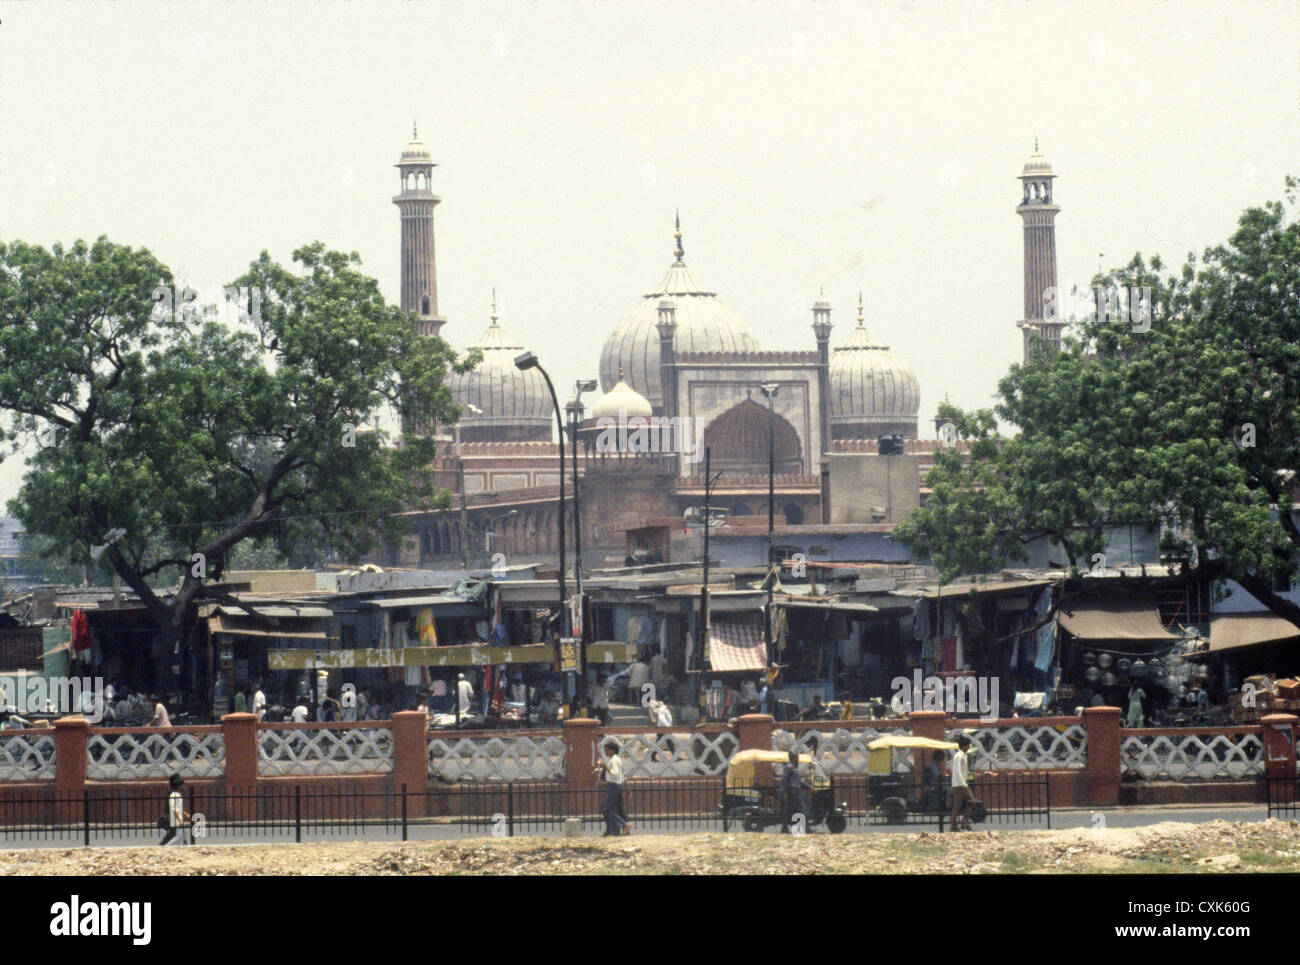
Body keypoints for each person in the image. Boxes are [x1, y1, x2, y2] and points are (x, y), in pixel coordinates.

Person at [596, 740, 629, 837]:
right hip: (615, 785)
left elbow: (615, 774)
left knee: (607, 809)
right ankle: (614, 831)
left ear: (613, 750)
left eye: (607, 750)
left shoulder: (614, 760)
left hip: (613, 786)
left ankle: (624, 825)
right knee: (612, 808)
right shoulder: (614, 759)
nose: (606, 753)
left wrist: (604, 766)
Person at [780, 750, 810, 834]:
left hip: (796, 792)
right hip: (792, 792)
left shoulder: (794, 768)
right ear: (793, 758)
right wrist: (785, 794)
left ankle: (785, 828)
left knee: (791, 811)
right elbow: (784, 781)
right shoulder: (789, 768)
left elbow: (799, 781)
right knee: (801, 809)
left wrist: (809, 787)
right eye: (797, 758)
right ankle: (806, 829)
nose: (798, 759)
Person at [949, 734, 975, 832]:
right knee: (970, 801)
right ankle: (961, 822)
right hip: (960, 784)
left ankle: (957, 824)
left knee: (959, 804)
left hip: (960, 783)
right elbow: (957, 771)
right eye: (968, 745)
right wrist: (964, 784)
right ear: (964, 746)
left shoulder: (962, 756)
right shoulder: (959, 756)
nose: (968, 747)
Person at [159, 774, 191, 846]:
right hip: (172, 816)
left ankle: (163, 846)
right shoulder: (173, 793)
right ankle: (162, 846)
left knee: (174, 833)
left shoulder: (171, 792)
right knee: (175, 833)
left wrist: (185, 814)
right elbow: (174, 808)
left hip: (171, 815)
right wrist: (179, 819)